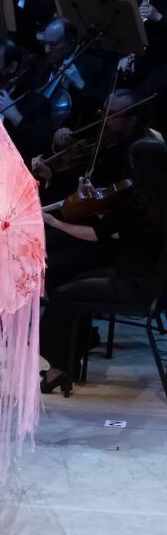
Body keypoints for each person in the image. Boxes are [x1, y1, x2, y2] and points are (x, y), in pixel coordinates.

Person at [40, 137, 167, 395]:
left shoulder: (137, 206)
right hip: (153, 284)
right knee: (75, 280)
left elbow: (97, 233)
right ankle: (72, 356)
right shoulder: (158, 202)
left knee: (63, 296)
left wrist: (55, 223)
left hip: (131, 284)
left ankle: (58, 369)